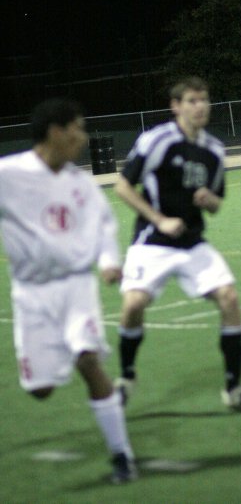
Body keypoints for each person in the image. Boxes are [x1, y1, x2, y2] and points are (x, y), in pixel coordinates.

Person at [0, 98, 137, 484]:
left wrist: (109, 260)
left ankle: (121, 455)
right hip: (32, 295)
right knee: (41, 389)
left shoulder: (79, 183)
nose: (83, 137)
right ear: (57, 132)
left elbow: (103, 225)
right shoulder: (9, 175)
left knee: (89, 362)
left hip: (77, 286)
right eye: (77, 128)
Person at [114, 76, 241, 412]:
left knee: (229, 297)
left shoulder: (213, 149)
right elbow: (123, 187)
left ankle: (234, 388)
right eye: (192, 101)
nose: (200, 107)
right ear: (176, 106)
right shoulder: (157, 140)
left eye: (204, 100)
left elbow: (215, 204)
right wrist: (160, 220)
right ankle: (125, 378)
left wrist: (208, 198)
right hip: (152, 241)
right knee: (133, 305)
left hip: (192, 242)